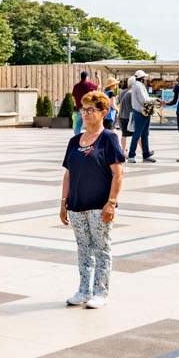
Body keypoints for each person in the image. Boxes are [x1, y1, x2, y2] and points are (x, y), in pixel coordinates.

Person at [59, 90, 124, 309]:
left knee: (101, 249)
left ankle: (101, 292)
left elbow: (118, 173)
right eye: (83, 110)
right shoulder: (75, 141)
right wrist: (63, 203)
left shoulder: (109, 139)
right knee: (83, 249)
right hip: (77, 205)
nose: (85, 114)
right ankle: (83, 290)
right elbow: (68, 173)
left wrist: (111, 202)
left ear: (104, 112)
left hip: (99, 206)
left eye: (90, 110)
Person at [121, 71, 155, 163]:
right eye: (144, 77)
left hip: (142, 113)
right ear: (142, 78)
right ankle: (132, 155)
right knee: (138, 135)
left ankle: (146, 155)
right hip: (141, 113)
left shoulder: (136, 85)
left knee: (143, 134)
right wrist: (155, 99)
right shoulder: (139, 86)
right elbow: (144, 100)